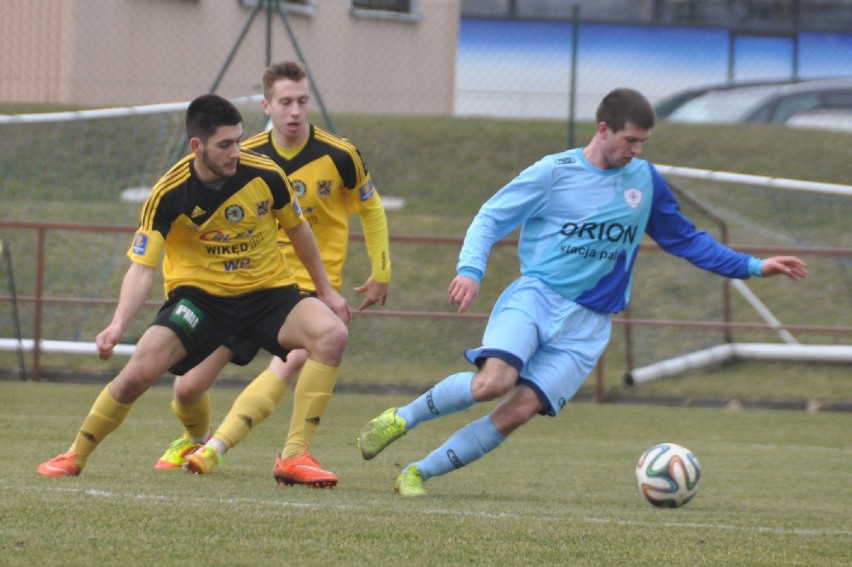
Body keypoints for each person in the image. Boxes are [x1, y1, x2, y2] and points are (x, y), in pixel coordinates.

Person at [355, 88, 808, 497]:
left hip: (588, 327)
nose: (636, 151)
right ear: (604, 129)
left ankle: (416, 473)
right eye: (630, 140)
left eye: (643, 143)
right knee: (493, 383)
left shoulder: (645, 181)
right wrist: (471, 269)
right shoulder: (555, 172)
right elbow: (490, 217)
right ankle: (401, 418)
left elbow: (685, 239)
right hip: (536, 298)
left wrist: (752, 266)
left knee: (515, 413)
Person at [37, 93, 350, 477]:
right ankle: (75, 455)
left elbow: (299, 229)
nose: (236, 151)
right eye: (224, 145)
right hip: (202, 301)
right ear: (197, 146)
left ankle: (295, 456)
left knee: (331, 335)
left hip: (269, 294)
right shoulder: (168, 193)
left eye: (238, 140)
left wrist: (326, 290)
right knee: (139, 374)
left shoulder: (265, 173)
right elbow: (141, 268)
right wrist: (118, 324)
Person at [154, 60, 391, 487]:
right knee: (187, 389)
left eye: (302, 101)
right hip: (248, 285)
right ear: (267, 105)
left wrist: (382, 271)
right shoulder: (243, 156)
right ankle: (196, 438)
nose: (295, 111)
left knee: (288, 364)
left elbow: (371, 208)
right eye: (285, 102)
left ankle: (231, 450)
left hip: (302, 294)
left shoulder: (340, 155)